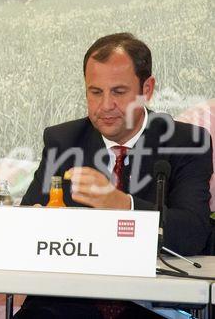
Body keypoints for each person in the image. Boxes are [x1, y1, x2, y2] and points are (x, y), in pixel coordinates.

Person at [16, 33, 212, 319]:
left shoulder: (186, 142)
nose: (105, 105)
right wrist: (35, 222)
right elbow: (26, 227)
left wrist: (120, 204)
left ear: (147, 88)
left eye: (118, 92)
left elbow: (193, 233)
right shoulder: (64, 141)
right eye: (95, 92)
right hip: (68, 304)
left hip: (151, 304)